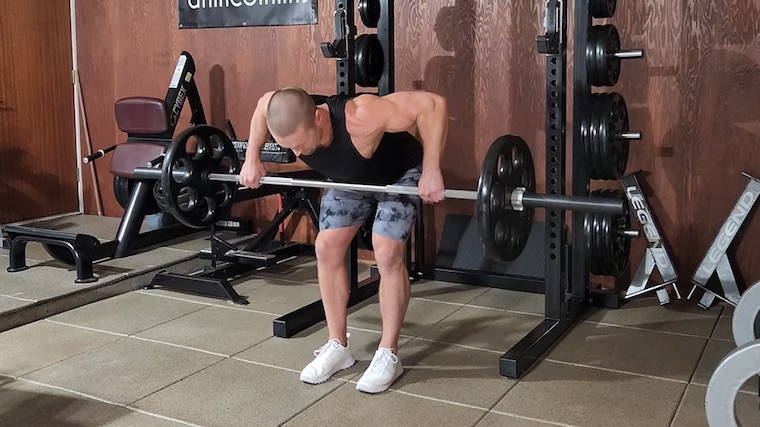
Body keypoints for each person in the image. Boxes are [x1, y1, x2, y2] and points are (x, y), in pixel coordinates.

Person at [240, 87, 448, 393]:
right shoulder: (282, 108)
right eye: (289, 147)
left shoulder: (360, 116)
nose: (297, 154)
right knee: (326, 247)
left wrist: (431, 170)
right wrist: (252, 158)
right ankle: (337, 346)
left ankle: (389, 353)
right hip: (352, 178)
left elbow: (432, 104)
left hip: (398, 173)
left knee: (387, 251)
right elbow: (261, 105)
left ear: (320, 117)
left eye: (299, 145)